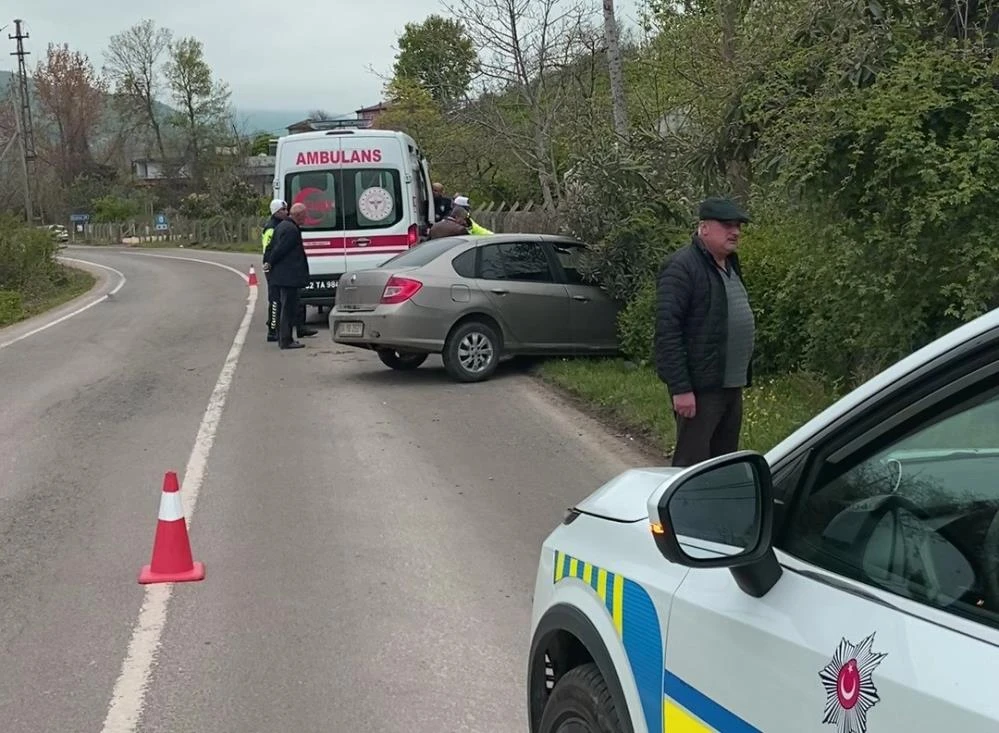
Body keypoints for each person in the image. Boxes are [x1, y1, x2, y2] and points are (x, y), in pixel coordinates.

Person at [654, 196, 754, 467]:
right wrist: (681, 388)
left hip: (729, 386)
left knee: (722, 465)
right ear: (704, 228)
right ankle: (679, 509)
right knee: (692, 466)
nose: (735, 232)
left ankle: (715, 509)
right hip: (700, 389)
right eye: (727, 225)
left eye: (738, 226)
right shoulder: (682, 267)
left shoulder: (731, 264)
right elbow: (667, 331)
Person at [265, 203, 311, 350]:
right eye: (304, 215)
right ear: (298, 215)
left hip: (284, 275)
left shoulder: (283, 226)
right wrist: (270, 263)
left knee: (285, 307)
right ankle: (286, 339)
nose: (306, 218)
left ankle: (283, 337)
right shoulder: (291, 229)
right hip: (288, 276)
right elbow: (279, 250)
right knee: (287, 308)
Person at [261, 199, 288, 342]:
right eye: (282, 210)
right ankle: (272, 330)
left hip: (276, 265)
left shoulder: (281, 225)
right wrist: (269, 264)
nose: (286, 212)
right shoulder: (271, 227)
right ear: (276, 212)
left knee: (280, 298)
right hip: (271, 266)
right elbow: (268, 249)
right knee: (275, 299)